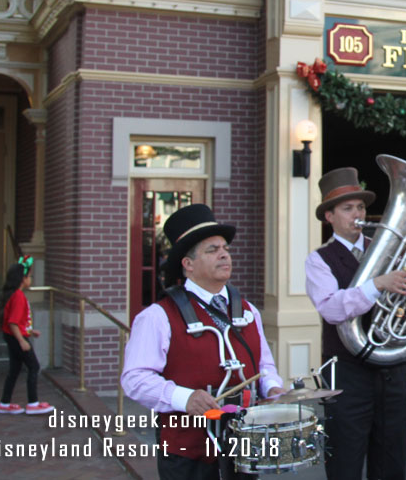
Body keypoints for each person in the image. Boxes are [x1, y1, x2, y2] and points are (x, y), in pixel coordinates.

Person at [305, 166, 406, 480]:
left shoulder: (391, 247)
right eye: (347, 208)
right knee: (345, 461)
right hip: (346, 374)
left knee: (392, 461)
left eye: (360, 207)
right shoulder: (319, 259)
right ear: (329, 217)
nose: (357, 214)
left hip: (391, 371)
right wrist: (378, 284)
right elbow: (332, 309)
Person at [122, 204, 285, 480]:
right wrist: (184, 398)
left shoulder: (247, 310)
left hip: (243, 446)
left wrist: (272, 387)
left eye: (225, 248)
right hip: (188, 454)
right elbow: (134, 379)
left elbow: (262, 364)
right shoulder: (158, 316)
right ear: (188, 264)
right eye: (212, 250)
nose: (224, 254)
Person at [0, 257, 54, 415]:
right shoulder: (18, 296)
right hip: (15, 337)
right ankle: (33, 403)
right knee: (33, 366)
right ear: (23, 279)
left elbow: (16, 322)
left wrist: (29, 331)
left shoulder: (13, 295)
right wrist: (22, 340)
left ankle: (4, 403)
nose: (31, 280)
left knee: (14, 370)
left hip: (12, 336)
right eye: (29, 277)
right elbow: (13, 322)